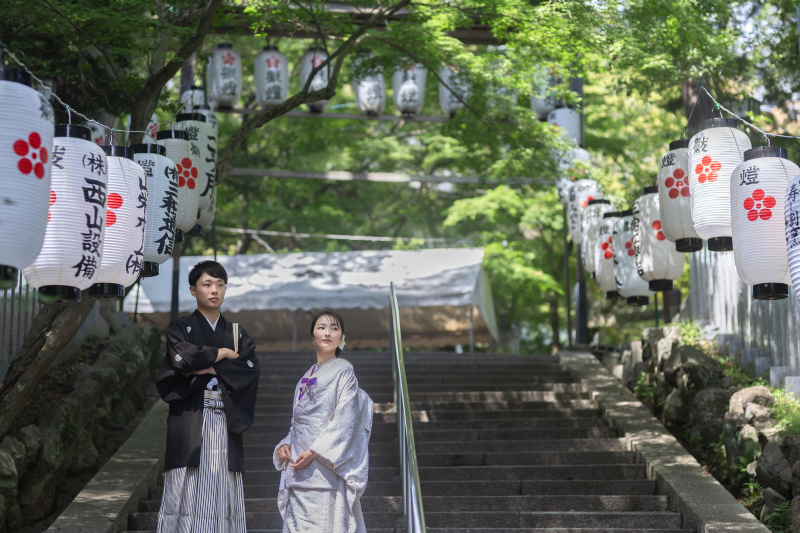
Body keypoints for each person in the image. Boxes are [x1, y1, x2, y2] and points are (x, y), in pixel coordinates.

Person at [155, 260, 260, 533]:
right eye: (207, 284)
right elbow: (181, 361)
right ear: (193, 290)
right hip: (191, 419)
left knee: (222, 488)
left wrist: (205, 366)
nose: (214, 290)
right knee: (186, 486)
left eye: (220, 284)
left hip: (225, 420)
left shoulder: (237, 334)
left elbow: (249, 370)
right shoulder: (180, 328)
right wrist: (222, 354)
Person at [274, 310, 373, 533]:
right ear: (313, 336)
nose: (327, 333)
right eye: (321, 327)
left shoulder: (344, 373)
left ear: (342, 337)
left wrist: (314, 452)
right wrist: (285, 444)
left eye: (334, 328)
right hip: (298, 467)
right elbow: (297, 423)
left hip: (325, 468)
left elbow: (345, 420)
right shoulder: (304, 378)